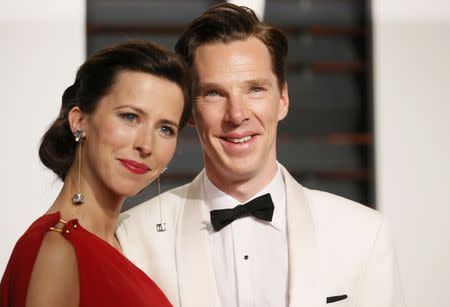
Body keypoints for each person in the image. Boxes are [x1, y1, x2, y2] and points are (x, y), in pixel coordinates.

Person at [116, 3, 404, 307]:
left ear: (282, 99)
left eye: (254, 89)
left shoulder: (365, 234)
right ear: (189, 111)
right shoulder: (134, 238)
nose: (237, 114)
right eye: (214, 93)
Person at [0, 40, 190, 307]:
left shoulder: (127, 245)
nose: (146, 145)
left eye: (165, 129)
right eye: (130, 117)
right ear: (80, 122)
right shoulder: (58, 250)